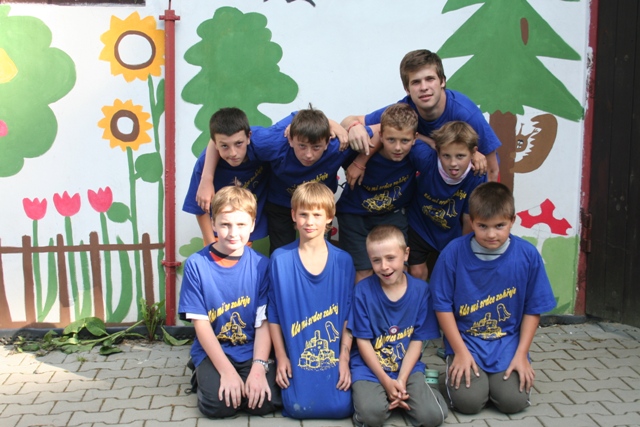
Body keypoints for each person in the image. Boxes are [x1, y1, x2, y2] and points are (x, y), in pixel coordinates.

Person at [430, 182, 556, 415]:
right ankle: (453, 376)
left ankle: (494, 383)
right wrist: (460, 352)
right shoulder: (453, 253)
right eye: (482, 226)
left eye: (500, 226)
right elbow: (442, 306)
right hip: (467, 341)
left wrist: (521, 354)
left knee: (513, 402)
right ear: (471, 222)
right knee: (468, 403)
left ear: (512, 221)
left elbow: (533, 308)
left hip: (507, 343)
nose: (491, 234)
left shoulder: (527, 255)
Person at [197, 105, 361, 254]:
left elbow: (371, 134)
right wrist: (207, 178)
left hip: (317, 205)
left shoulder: (337, 146)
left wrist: (358, 158)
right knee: (281, 253)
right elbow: (220, 137)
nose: (309, 154)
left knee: (320, 252)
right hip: (280, 203)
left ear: (326, 143)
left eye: (316, 147)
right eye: (302, 146)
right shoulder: (270, 142)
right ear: (290, 139)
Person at [178, 185, 281, 418]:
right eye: (225, 224)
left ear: (253, 225)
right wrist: (226, 371)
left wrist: (258, 367)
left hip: (251, 350)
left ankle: (244, 378)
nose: (233, 233)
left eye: (241, 224)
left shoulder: (262, 266)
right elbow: (201, 325)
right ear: (213, 224)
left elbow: (263, 322)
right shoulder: (197, 265)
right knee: (220, 406)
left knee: (261, 403)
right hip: (214, 350)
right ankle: (201, 375)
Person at [342, 49, 501, 185]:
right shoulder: (405, 109)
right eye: (416, 82)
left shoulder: (465, 113)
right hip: (428, 188)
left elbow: (493, 169)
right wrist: (354, 127)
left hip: (466, 185)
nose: (424, 87)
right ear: (407, 89)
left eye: (430, 79)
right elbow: (349, 121)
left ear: (442, 81)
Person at [268, 182, 355, 419]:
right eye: (303, 214)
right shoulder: (280, 259)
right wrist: (281, 357)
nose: (309, 221)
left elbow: (349, 315)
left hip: (333, 355)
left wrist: (344, 359)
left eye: (317, 215)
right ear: (293, 215)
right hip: (296, 354)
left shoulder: (343, 261)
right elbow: (273, 313)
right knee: (297, 407)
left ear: (329, 217)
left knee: (340, 407)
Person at [349, 224, 448, 427]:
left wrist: (401, 379)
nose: (384, 266)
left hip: (406, 368)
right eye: (376, 260)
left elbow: (417, 341)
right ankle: (384, 398)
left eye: (390, 258)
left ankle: (414, 393)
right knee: (372, 416)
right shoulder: (362, 291)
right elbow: (363, 342)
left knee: (432, 417)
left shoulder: (421, 291)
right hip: (369, 369)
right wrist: (386, 382)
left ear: (406, 254)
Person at [336, 103, 418, 283]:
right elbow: (342, 126)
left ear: (414, 139)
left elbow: (446, 148)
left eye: (404, 141)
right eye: (391, 140)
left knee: (399, 270)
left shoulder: (417, 154)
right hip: (355, 216)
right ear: (381, 136)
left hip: (392, 215)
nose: (398, 147)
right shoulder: (359, 149)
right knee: (363, 273)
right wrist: (359, 157)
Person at [407, 121, 487, 282]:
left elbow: (468, 219)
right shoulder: (425, 158)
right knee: (416, 273)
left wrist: (462, 251)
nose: (453, 163)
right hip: (419, 226)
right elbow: (407, 136)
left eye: (460, 156)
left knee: (447, 276)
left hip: (450, 232)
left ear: (473, 153)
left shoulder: (477, 176)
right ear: (437, 151)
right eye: (446, 156)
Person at [182, 107, 268, 246]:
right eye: (224, 146)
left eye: (238, 144)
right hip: (218, 235)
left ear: (248, 137)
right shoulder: (205, 163)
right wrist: (211, 246)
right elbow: (201, 209)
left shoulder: (262, 148)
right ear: (215, 144)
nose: (233, 153)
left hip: (245, 233)